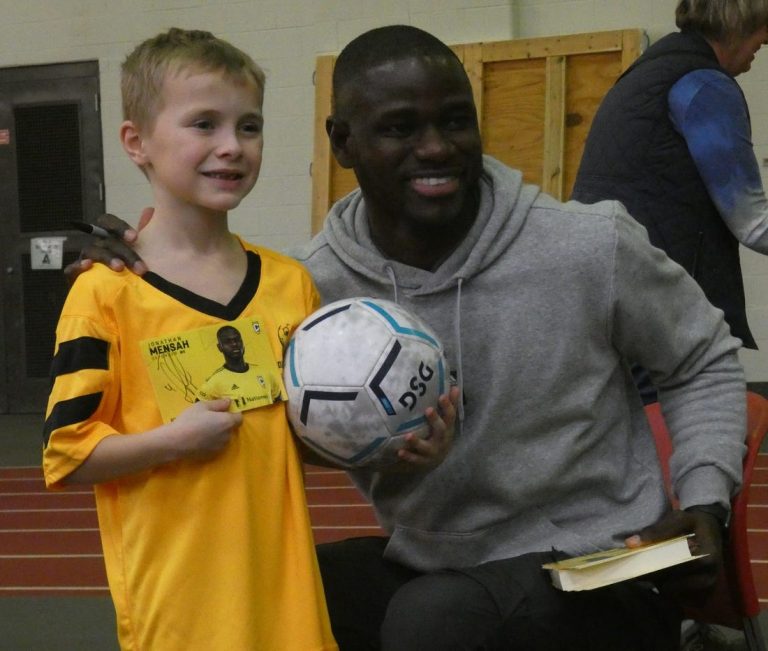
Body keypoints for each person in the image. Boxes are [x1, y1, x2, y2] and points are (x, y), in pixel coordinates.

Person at [66, 25, 747, 651]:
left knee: (435, 621)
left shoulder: (586, 245)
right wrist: (131, 261)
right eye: (400, 127)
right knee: (277, 596)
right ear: (342, 142)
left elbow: (702, 358)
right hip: (434, 560)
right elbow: (268, 419)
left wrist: (706, 500)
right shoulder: (308, 288)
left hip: (603, 563)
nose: (436, 147)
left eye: (455, 120)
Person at [43, 27, 457, 651]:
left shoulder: (289, 284)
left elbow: (297, 435)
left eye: (249, 127)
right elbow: (66, 454)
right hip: (181, 604)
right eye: (203, 124)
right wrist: (174, 440)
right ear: (137, 143)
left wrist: (389, 445)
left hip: (285, 589)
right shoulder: (106, 292)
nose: (231, 147)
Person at [573, 0, 768, 374]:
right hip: (656, 305)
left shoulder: (650, 71)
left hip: (604, 293)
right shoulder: (705, 85)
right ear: (742, 20)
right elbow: (754, 223)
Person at [197, 324, 284, 408]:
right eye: (228, 342)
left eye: (237, 340)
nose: (234, 344)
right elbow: (198, 409)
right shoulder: (213, 382)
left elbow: (278, 399)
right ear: (220, 347)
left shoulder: (266, 373)